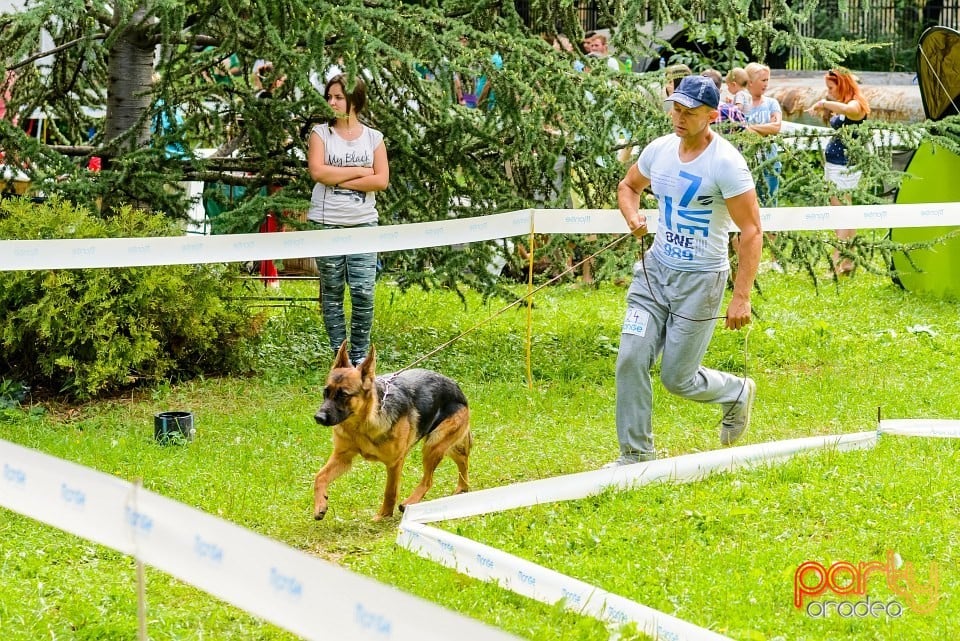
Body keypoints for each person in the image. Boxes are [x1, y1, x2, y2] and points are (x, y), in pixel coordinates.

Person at [606, 74, 762, 466]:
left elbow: (752, 230)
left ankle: (736, 392)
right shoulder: (659, 151)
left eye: (689, 112)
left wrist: (740, 297)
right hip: (654, 273)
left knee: (677, 378)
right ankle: (636, 455)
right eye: (676, 109)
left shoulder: (726, 163)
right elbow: (628, 186)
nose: (679, 118)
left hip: (700, 282)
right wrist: (632, 215)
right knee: (630, 358)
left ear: (711, 115)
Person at [307, 74, 390, 364]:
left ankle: (357, 358)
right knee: (331, 292)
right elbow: (318, 173)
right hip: (326, 221)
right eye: (329, 96)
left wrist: (339, 178)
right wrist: (360, 172)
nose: (331, 102)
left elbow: (380, 180)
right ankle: (338, 356)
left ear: (354, 100)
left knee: (363, 292)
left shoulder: (373, 138)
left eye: (338, 97)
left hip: (364, 223)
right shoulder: (320, 134)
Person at [806, 67, 870, 276]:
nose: (829, 92)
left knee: (841, 213)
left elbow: (851, 111)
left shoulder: (855, 104)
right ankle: (848, 260)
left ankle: (835, 263)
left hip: (844, 166)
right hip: (836, 164)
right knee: (845, 211)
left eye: (831, 87)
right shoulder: (843, 104)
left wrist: (824, 103)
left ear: (842, 84)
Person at [741, 62, 782, 207]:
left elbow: (775, 127)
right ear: (750, 82)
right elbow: (738, 131)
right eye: (763, 80)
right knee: (747, 205)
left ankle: (771, 231)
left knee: (769, 204)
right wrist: (763, 128)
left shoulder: (772, 103)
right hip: (746, 163)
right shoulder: (741, 105)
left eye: (767, 80)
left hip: (770, 162)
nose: (766, 84)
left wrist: (750, 128)